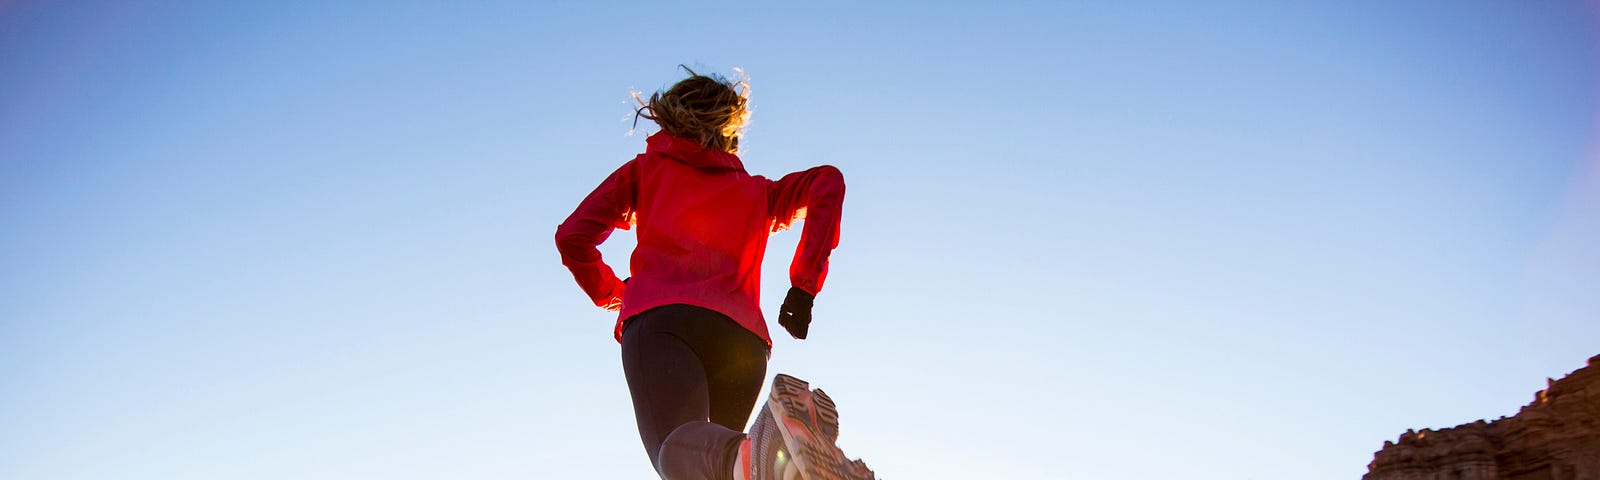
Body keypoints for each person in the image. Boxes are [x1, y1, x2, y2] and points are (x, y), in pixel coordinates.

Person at [555, 67, 875, 480]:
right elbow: (826, 184)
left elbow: (572, 237)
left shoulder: (645, 171)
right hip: (742, 346)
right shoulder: (758, 192)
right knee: (725, 470)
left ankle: (778, 442)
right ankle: (784, 451)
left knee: (678, 452)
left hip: (662, 325)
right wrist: (803, 287)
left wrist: (618, 295)